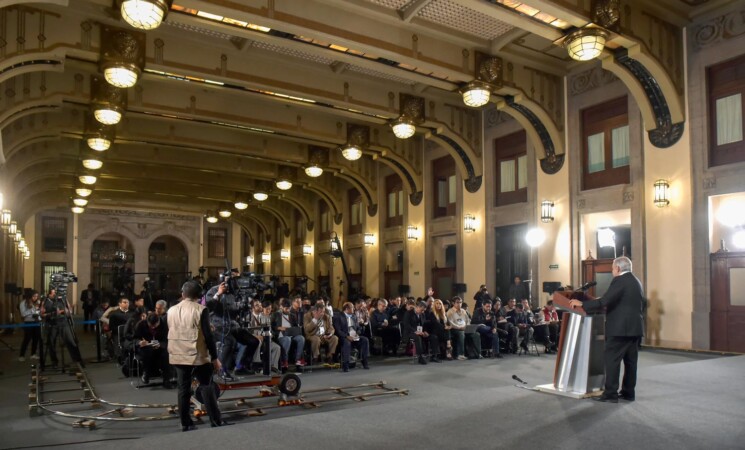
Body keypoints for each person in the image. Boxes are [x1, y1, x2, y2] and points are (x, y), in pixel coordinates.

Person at [569, 256, 646, 403]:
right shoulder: (636, 281)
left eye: (612, 269)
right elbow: (622, 301)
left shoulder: (620, 280)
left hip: (619, 329)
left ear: (617, 268)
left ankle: (610, 393)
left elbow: (605, 301)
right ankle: (628, 393)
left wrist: (582, 304)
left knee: (612, 361)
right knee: (631, 363)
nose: (612, 272)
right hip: (635, 328)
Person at [168, 280, 226, 431]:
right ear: (199, 295)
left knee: (183, 389)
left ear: (183, 294)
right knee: (206, 386)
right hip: (197, 355)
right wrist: (214, 358)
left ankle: (185, 423)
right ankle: (216, 420)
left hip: (177, 354)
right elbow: (208, 336)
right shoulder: (200, 310)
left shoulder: (171, 310)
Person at [41, 288, 84, 368]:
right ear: (49, 293)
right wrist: (53, 313)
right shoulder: (45, 301)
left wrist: (64, 311)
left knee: (71, 342)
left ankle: (78, 360)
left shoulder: (62, 299)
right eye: (54, 292)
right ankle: (54, 362)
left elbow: (69, 311)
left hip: (64, 323)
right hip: (52, 324)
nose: (55, 294)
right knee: (51, 343)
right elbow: (42, 314)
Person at [134, 313, 171, 387]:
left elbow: (168, 340)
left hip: (160, 347)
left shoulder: (165, 324)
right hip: (146, 347)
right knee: (147, 352)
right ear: (147, 322)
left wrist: (160, 344)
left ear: (158, 322)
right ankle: (146, 373)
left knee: (166, 354)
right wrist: (139, 342)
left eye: (155, 325)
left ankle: (167, 379)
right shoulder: (141, 324)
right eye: (151, 326)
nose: (153, 327)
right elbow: (134, 338)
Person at [333, 302, 370, 372]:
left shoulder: (354, 316)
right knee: (347, 343)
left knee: (365, 340)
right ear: (347, 309)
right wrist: (347, 336)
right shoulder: (338, 317)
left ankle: (364, 361)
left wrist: (357, 334)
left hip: (354, 336)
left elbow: (358, 328)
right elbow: (338, 330)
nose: (354, 309)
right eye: (352, 307)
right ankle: (346, 364)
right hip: (344, 337)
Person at [272, 298, 306, 370]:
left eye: (289, 308)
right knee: (287, 339)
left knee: (301, 338)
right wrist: (279, 328)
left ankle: (298, 359)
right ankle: (284, 360)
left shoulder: (292, 315)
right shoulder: (276, 315)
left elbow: (295, 326)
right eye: (286, 308)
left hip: (291, 334)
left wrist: (295, 329)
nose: (288, 310)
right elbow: (271, 326)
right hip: (281, 335)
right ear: (281, 307)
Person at [403, 301, 440, 365]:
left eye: (424, 310)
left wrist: (425, 331)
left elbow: (424, 324)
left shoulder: (422, 314)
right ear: (417, 307)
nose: (423, 312)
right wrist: (415, 331)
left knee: (433, 337)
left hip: (421, 332)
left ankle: (434, 356)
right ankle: (420, 357)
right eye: (422, 310)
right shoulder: (408, 313)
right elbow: (407, 325)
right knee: (418, 337)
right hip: (410, 332)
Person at [19, 291, 41, 361]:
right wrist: (31, 310)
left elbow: (38, 312)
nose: (35, 298)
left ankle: (33, 354)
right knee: (27, 339)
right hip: (28, 322)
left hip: (36, 322)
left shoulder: (37, 302)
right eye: (34, 296)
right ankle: (21, 355)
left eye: (37, 296)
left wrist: (39, 311)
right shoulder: (23, 303)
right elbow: (23, 314)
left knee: (36, 339)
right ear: (30, 296)